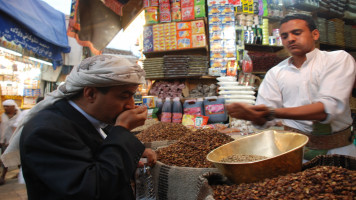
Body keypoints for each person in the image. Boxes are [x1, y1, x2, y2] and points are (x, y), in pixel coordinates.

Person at [2, 55, 157, 199]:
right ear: (90, 94)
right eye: (124, 96)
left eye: (132, 96)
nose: (130, 105)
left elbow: (105, 151)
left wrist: (133, 152)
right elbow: (91, 190)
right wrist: (122, 129)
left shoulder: (95, 119)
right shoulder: (47, 131)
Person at [226, 14, 356, 161]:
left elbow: (326, 110)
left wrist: (271, 112)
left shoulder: (338, 59)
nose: (290, 39)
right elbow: (265, 120)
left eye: (297, 33)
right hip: (296, 154)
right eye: (284, 36)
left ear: (315, 34)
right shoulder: (275, 73)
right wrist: (254, 116)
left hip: (340, 151)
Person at [0, 99, 21, 185]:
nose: (5, 108)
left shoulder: (20, 116)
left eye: (7, 106)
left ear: (13, 107)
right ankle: (3, 176)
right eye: (4, 106)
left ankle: (21, 173)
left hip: (16, 141)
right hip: (5, 141)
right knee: (6, 159)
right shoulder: (2, 116)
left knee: (18, 159)